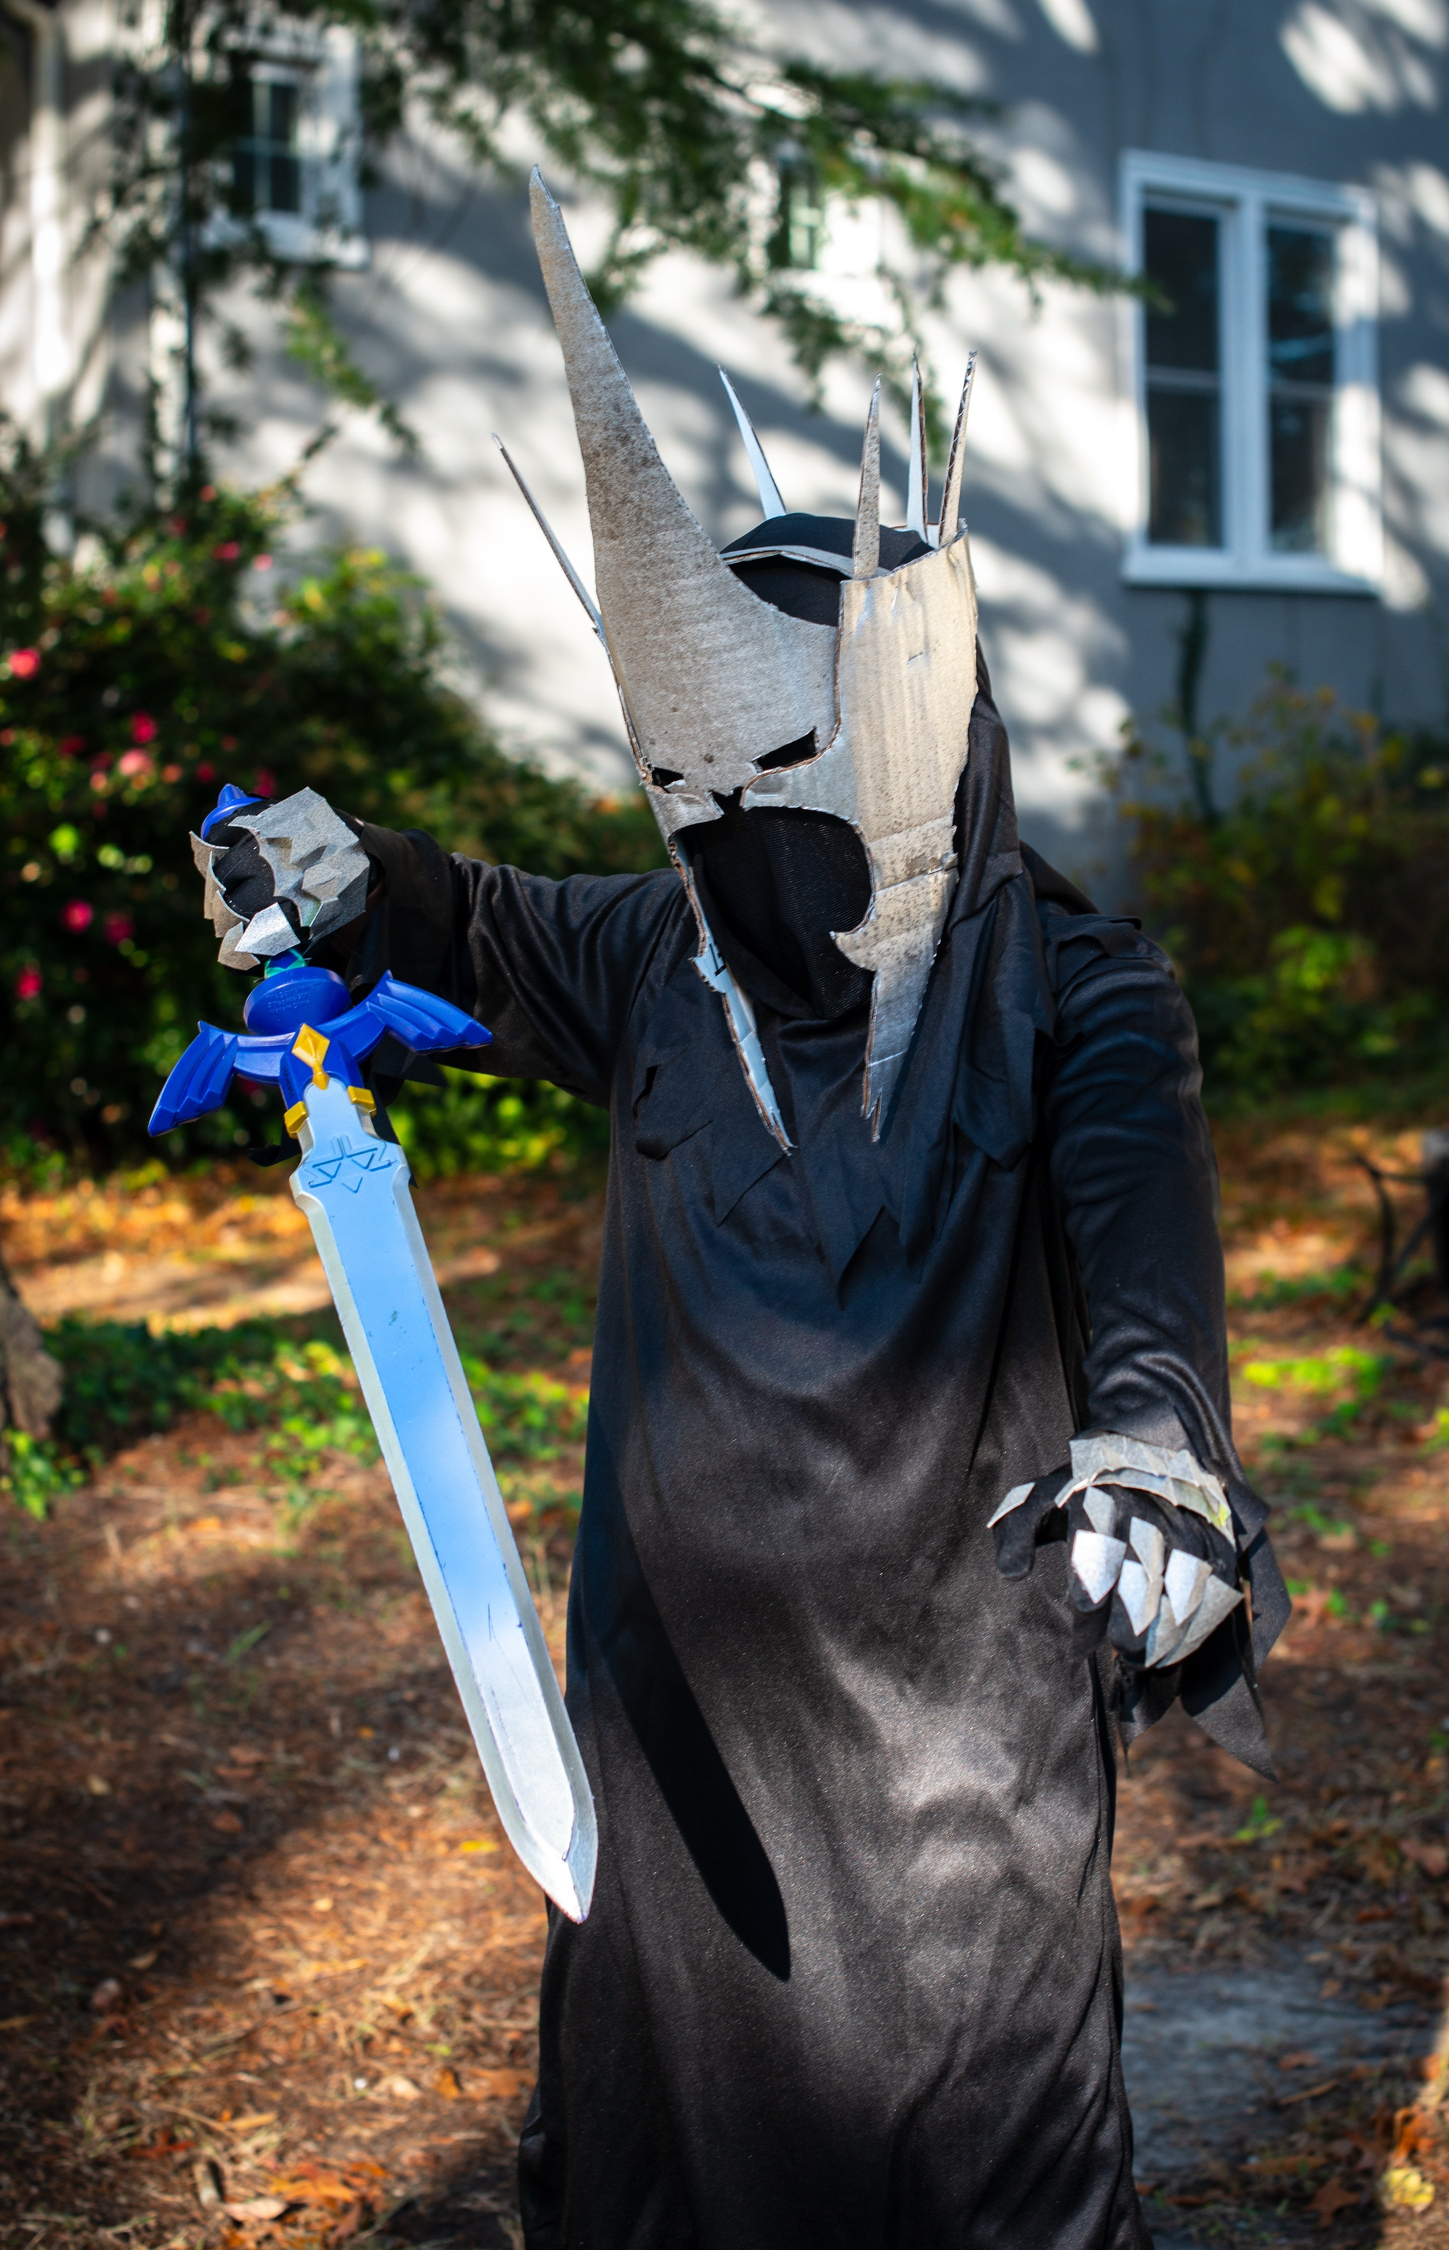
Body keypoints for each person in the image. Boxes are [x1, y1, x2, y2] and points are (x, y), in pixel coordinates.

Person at [199, 173, 1287, 2250]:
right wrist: (332, 874)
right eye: (692, 803)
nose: (737, 846)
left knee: (980, 2167)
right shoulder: (652, 960)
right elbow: (466, 916)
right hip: (678, 1724)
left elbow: (1146, 1259)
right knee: (664, 2166)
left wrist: (1157, 1451)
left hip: (962, 1745)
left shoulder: (1077, 992)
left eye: (776, 784)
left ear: (910, 745)